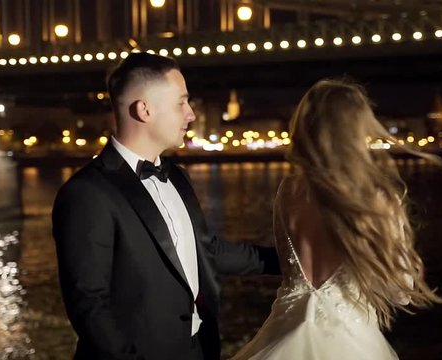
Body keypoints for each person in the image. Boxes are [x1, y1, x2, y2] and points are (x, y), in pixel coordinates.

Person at [52, 53, 277, 360]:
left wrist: (290, 261)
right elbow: (89, 306)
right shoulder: (87, 194)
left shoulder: (178, 177)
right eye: (181, 103)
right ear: (144, 110)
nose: (191, 114)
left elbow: (203, 253)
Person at [232, 79, 442, 359]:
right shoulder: (376, 198)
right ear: (355, 130)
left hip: (282, 330)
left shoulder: (288, 190)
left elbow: (288, 264)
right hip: (349, 341)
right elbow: (400, 293)